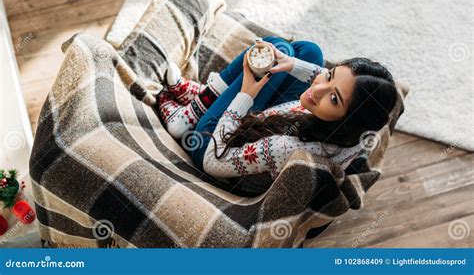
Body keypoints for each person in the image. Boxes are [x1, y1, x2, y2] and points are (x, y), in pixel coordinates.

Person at [157, 36, 397, 182]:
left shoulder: (285, 148)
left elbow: (212, 161)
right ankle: (203, 98)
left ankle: (192, 112)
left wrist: (246, 95)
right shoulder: (357, 131)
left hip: (212, 144)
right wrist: (290, 63)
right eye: (330, 75)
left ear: (347, 120)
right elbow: (326, 80)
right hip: (269, 122)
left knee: (274, 45)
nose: (318, 88)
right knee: (308, 52)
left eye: (333, 98)